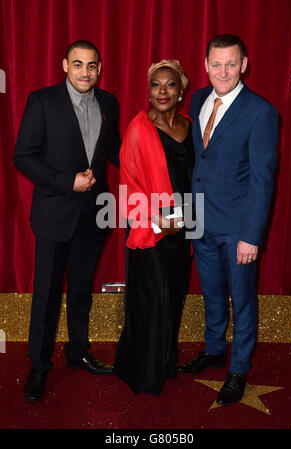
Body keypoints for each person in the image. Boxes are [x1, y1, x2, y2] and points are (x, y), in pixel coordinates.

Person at [14, 40, 121, 402]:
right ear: (65, 65)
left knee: (80, 289)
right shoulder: (41, 101)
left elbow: (118, 152)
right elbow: (23, 156)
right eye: (78, 64)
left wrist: (161, 158)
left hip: (94, 217)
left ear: (99, 69)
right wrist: (66, 181)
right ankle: (40, 365)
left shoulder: (109, 103)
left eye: (91, 66)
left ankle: (77, 352)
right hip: (54, 215)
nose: (85, 72)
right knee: (46, 295)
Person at [178, 34, 278, 406]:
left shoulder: (261, 112)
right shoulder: (200, 98)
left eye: (231, 64)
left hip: (238, 228)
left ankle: (238, 369)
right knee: (212, 292)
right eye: (216, 64)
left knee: (243, 298)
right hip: (201, 223)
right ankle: (215, 349)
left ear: (244, 64)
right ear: (205, 65)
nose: (223, 72)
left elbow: (262, 179)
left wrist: (251, 236)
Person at [114, 60, 194, 395]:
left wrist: (186, 219)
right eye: (155, 85)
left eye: (170, 85)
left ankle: (165, 361)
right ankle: (142, 372)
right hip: (152, 230)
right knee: (151, 301)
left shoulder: (191, 126)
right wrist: (157, 219)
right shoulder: (138, 127)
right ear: (148, 89)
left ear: (181, 90)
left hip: (186, 226)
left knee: (174, 297)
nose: (162, 92)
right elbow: (127, 183)